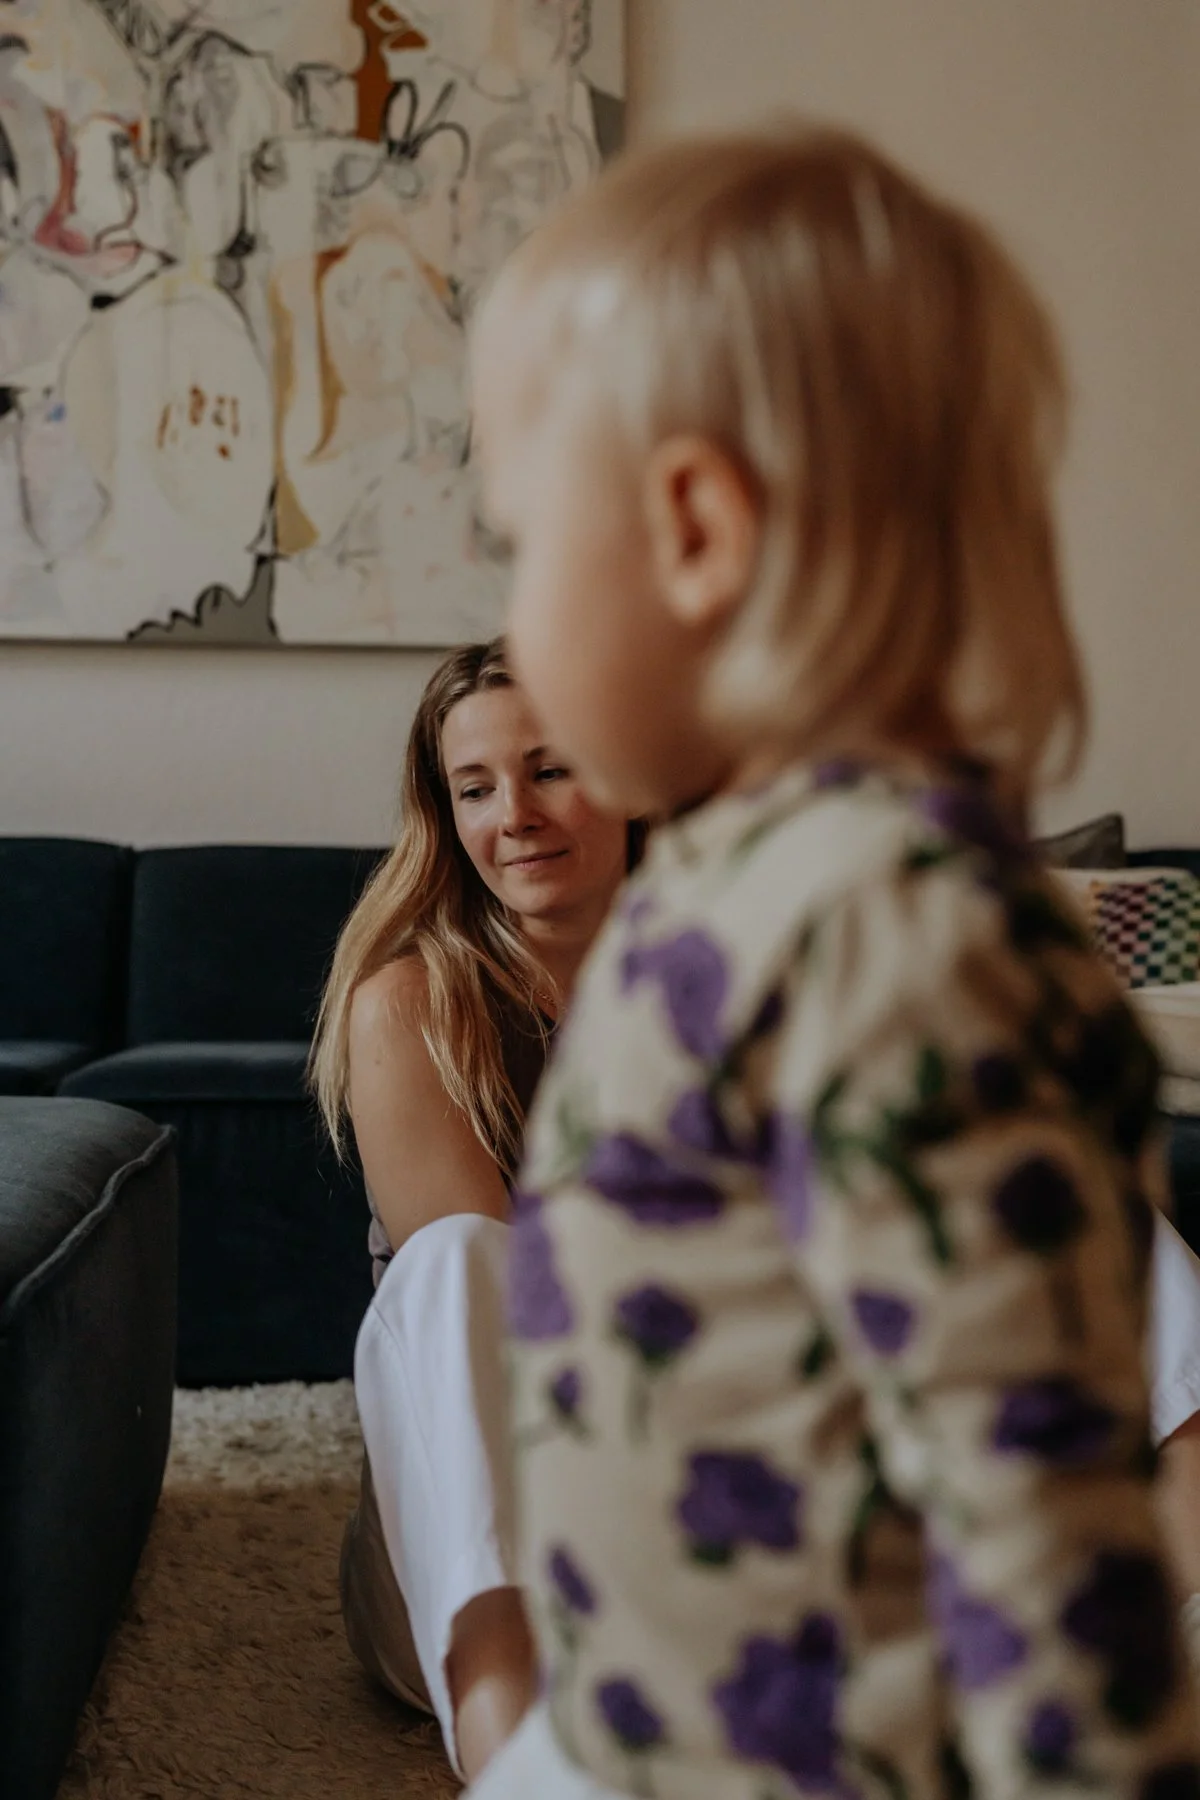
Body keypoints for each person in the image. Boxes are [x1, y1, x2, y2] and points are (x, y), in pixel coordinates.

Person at [461, 126, 1200, 1796]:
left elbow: (1046, 1529)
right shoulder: (721, 879)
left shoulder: (894, 927)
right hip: (649, 1721)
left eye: (520, 537)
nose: (512, 610)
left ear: (696, 528)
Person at [309, 637, 635, 1782]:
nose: (516, 817)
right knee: (453, 1258)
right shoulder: (413, 1002)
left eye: (551, 769)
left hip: (712, 1513)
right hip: (477, 1560)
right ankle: (517, 1750)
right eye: (475, 788)